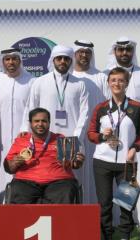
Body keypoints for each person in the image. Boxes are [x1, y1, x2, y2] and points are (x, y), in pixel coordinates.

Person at [87, 67, 140, 240]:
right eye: (113, 80)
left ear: (127, 83)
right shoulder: (101, 108)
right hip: (102, 161)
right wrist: (102, 137)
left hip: (126, 163)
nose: (116, 84)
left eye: (121, 80)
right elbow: (90, 134)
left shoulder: (137, 107)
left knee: (125, 202)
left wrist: (134, 149)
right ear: (108, 83)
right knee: (104, 203)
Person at [23, 44, 90, 201]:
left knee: (72, 179)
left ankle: (73, 218)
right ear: (53, 60)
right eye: (58, 58)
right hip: (45, 139)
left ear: (70, 61)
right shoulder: (39, 82)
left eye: (66, 59)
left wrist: (75, 138)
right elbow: (30, 109)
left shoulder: (80, 84)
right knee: (45, 176)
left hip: (71, 139)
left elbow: (85, 113)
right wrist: (28, 133)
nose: (62, 61)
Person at [103, 36, 140, 216]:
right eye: (120, 49)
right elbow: (103, 105)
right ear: (114, 51)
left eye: (128, 50)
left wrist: (135, 125)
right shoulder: (106, 75)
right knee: (112, 180)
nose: (124, 53)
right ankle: (117, 221)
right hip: (112, 139)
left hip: (137, 138)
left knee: (138, 176)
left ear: (133, 52)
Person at [4, 108, 85, 204]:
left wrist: (78, 162)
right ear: (30, 123)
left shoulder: (61, 138)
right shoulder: (21, 140)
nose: (40, 124)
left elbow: (73, 164)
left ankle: (61, 219)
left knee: (66, 191)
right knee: (17, 191)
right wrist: (13, 164)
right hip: (26, 182)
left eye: (44, 121)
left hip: (59, 182)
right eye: (36, 121)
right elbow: (8, 168)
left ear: (49, 122)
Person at [0, 47, 35, 203]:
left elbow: (34, 110)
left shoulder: (31, 81)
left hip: (24, 138)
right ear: (2, 61)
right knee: (1, 174)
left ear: (20, 60)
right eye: (7, 59)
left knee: (23, 172)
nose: (11, 62)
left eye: (14, 58)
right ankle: (1, 212)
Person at [70, 39, 107, 205]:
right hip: (74, 133)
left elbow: (108, 105)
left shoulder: (101, 77)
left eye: (87, 53)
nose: (84, 55)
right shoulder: (69, 77)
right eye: (80, 52)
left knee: (94, 174)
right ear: (75, 54)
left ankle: (95, 211)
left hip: (95, 135)